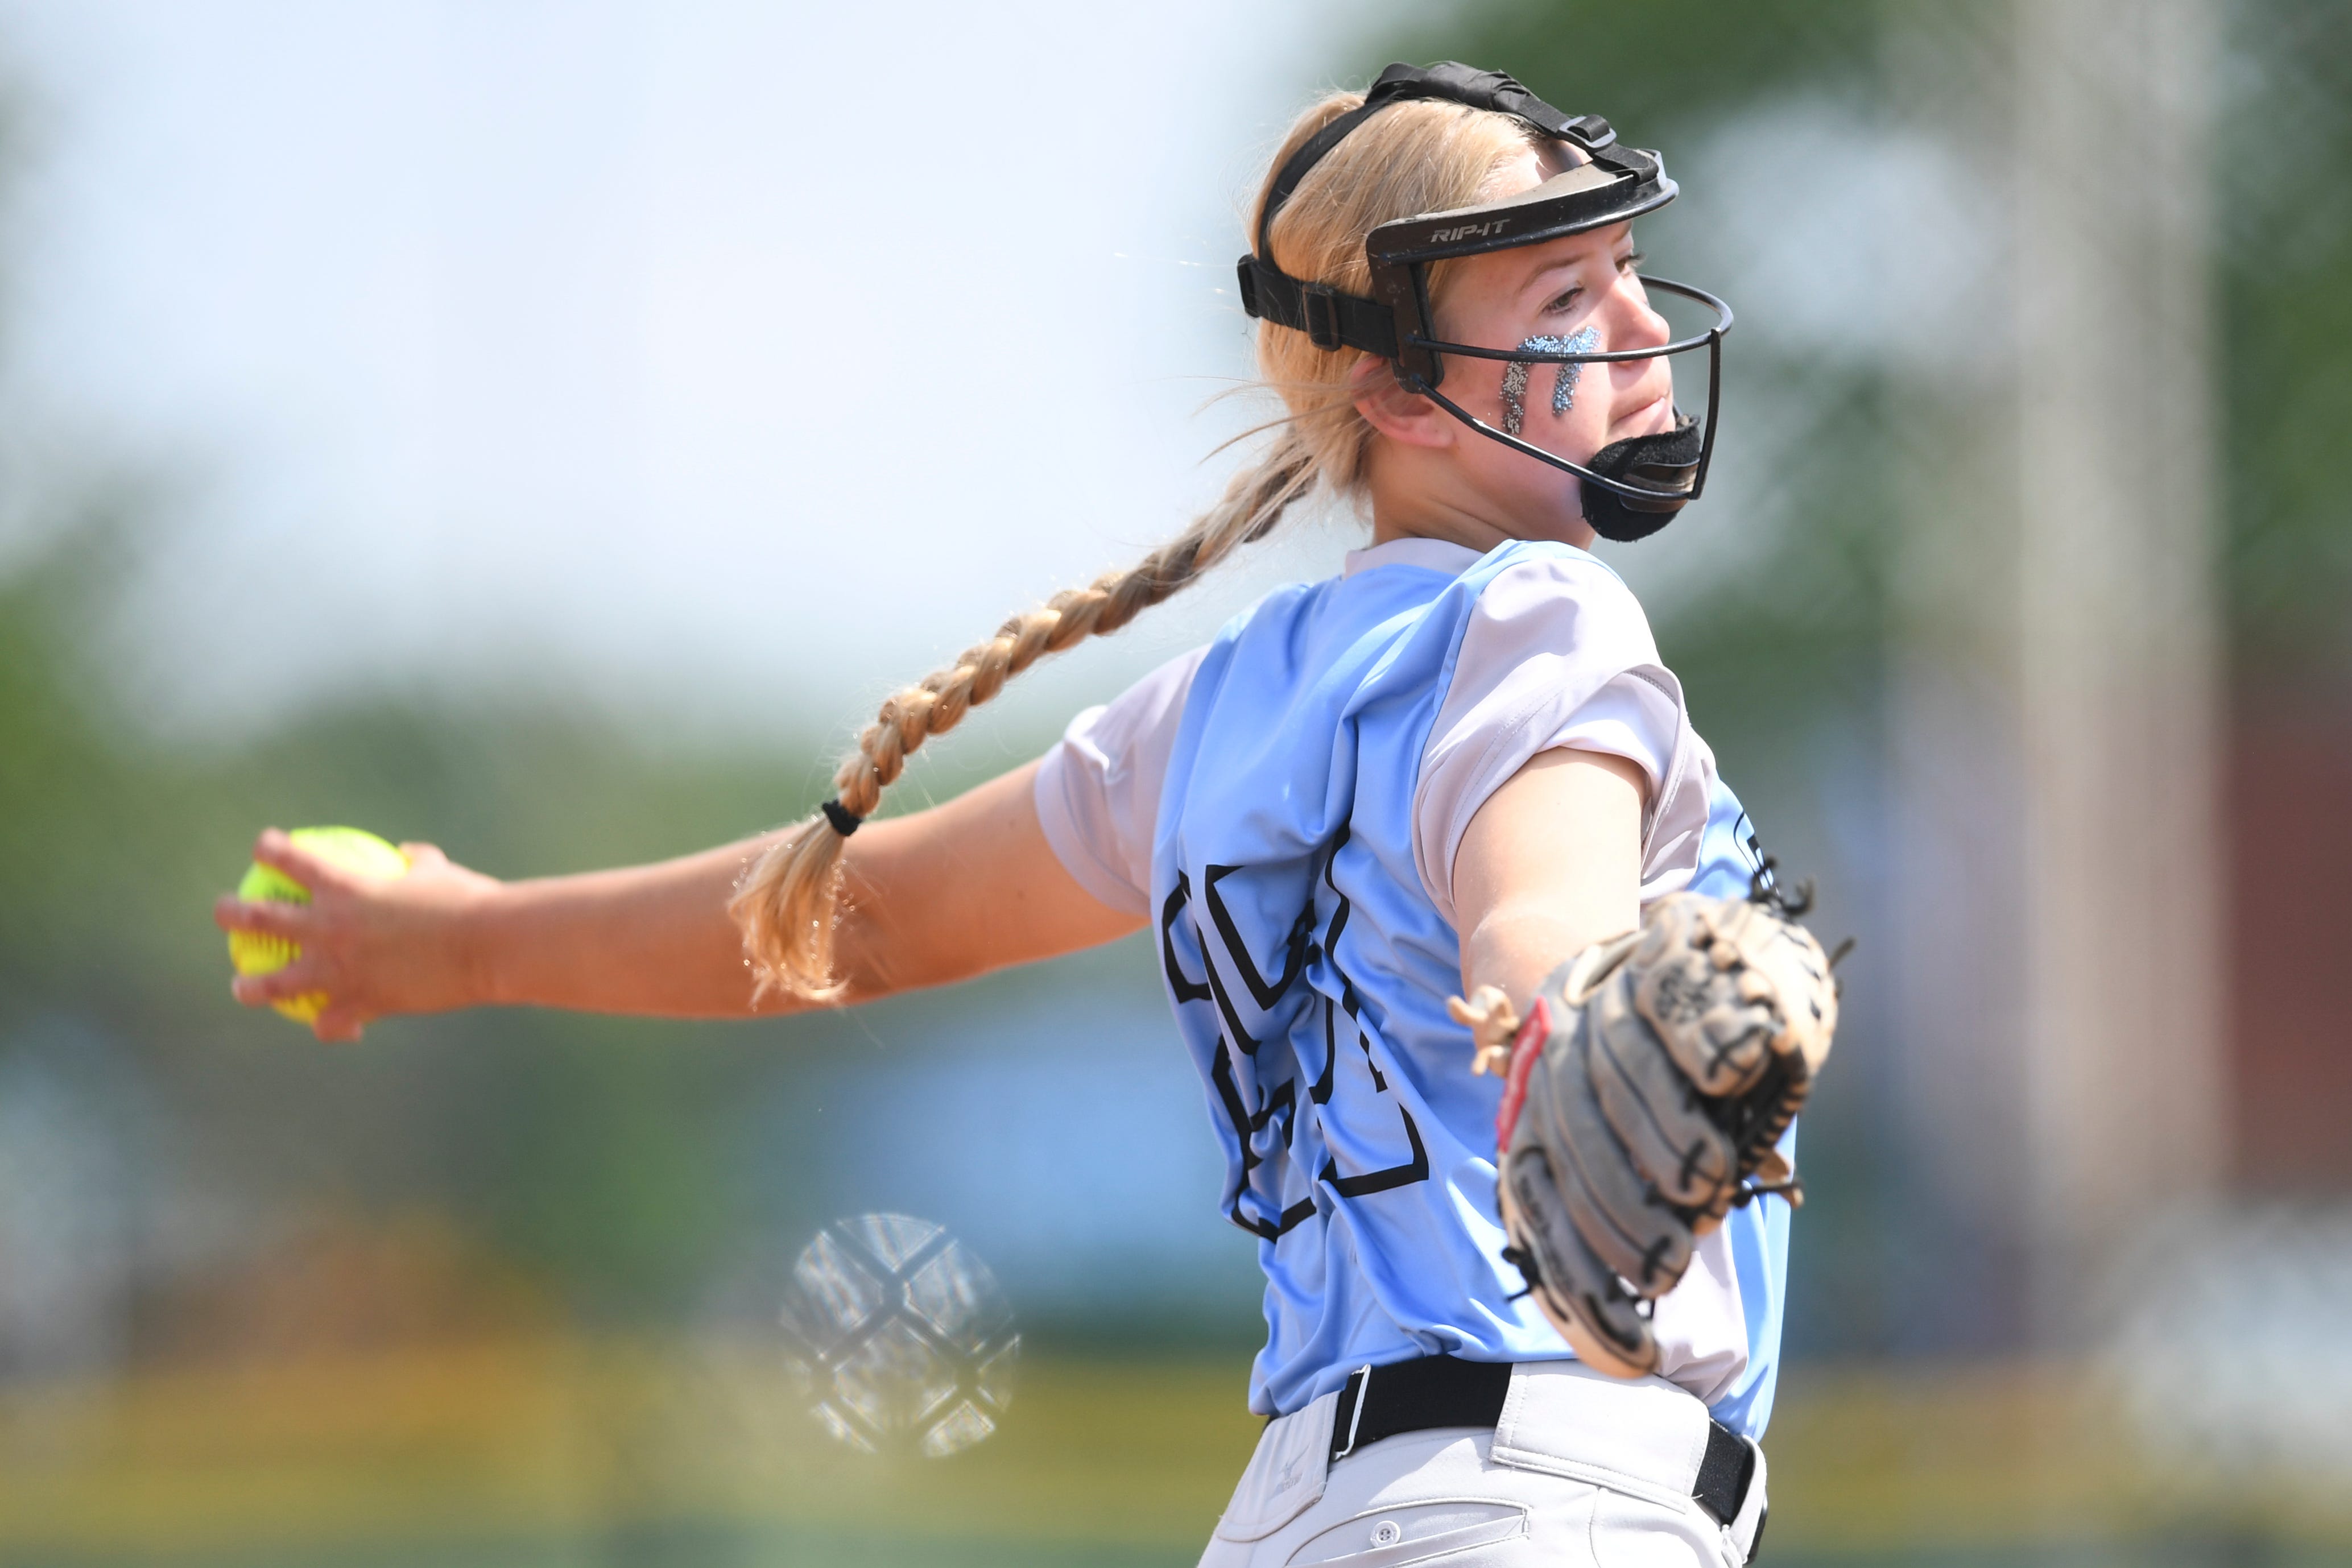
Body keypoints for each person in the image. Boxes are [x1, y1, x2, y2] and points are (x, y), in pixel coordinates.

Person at [216, 63, 1780, 1567]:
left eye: (1626, 268)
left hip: (1320, 1508)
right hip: (1548, 1498)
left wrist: (466, 941)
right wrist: (1568, 1003)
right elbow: (1540, 891)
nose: (1641, 326)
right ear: (1398, 393)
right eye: (1564, 297)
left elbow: (859, 920)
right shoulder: (1544, 618)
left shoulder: (1228, 706)